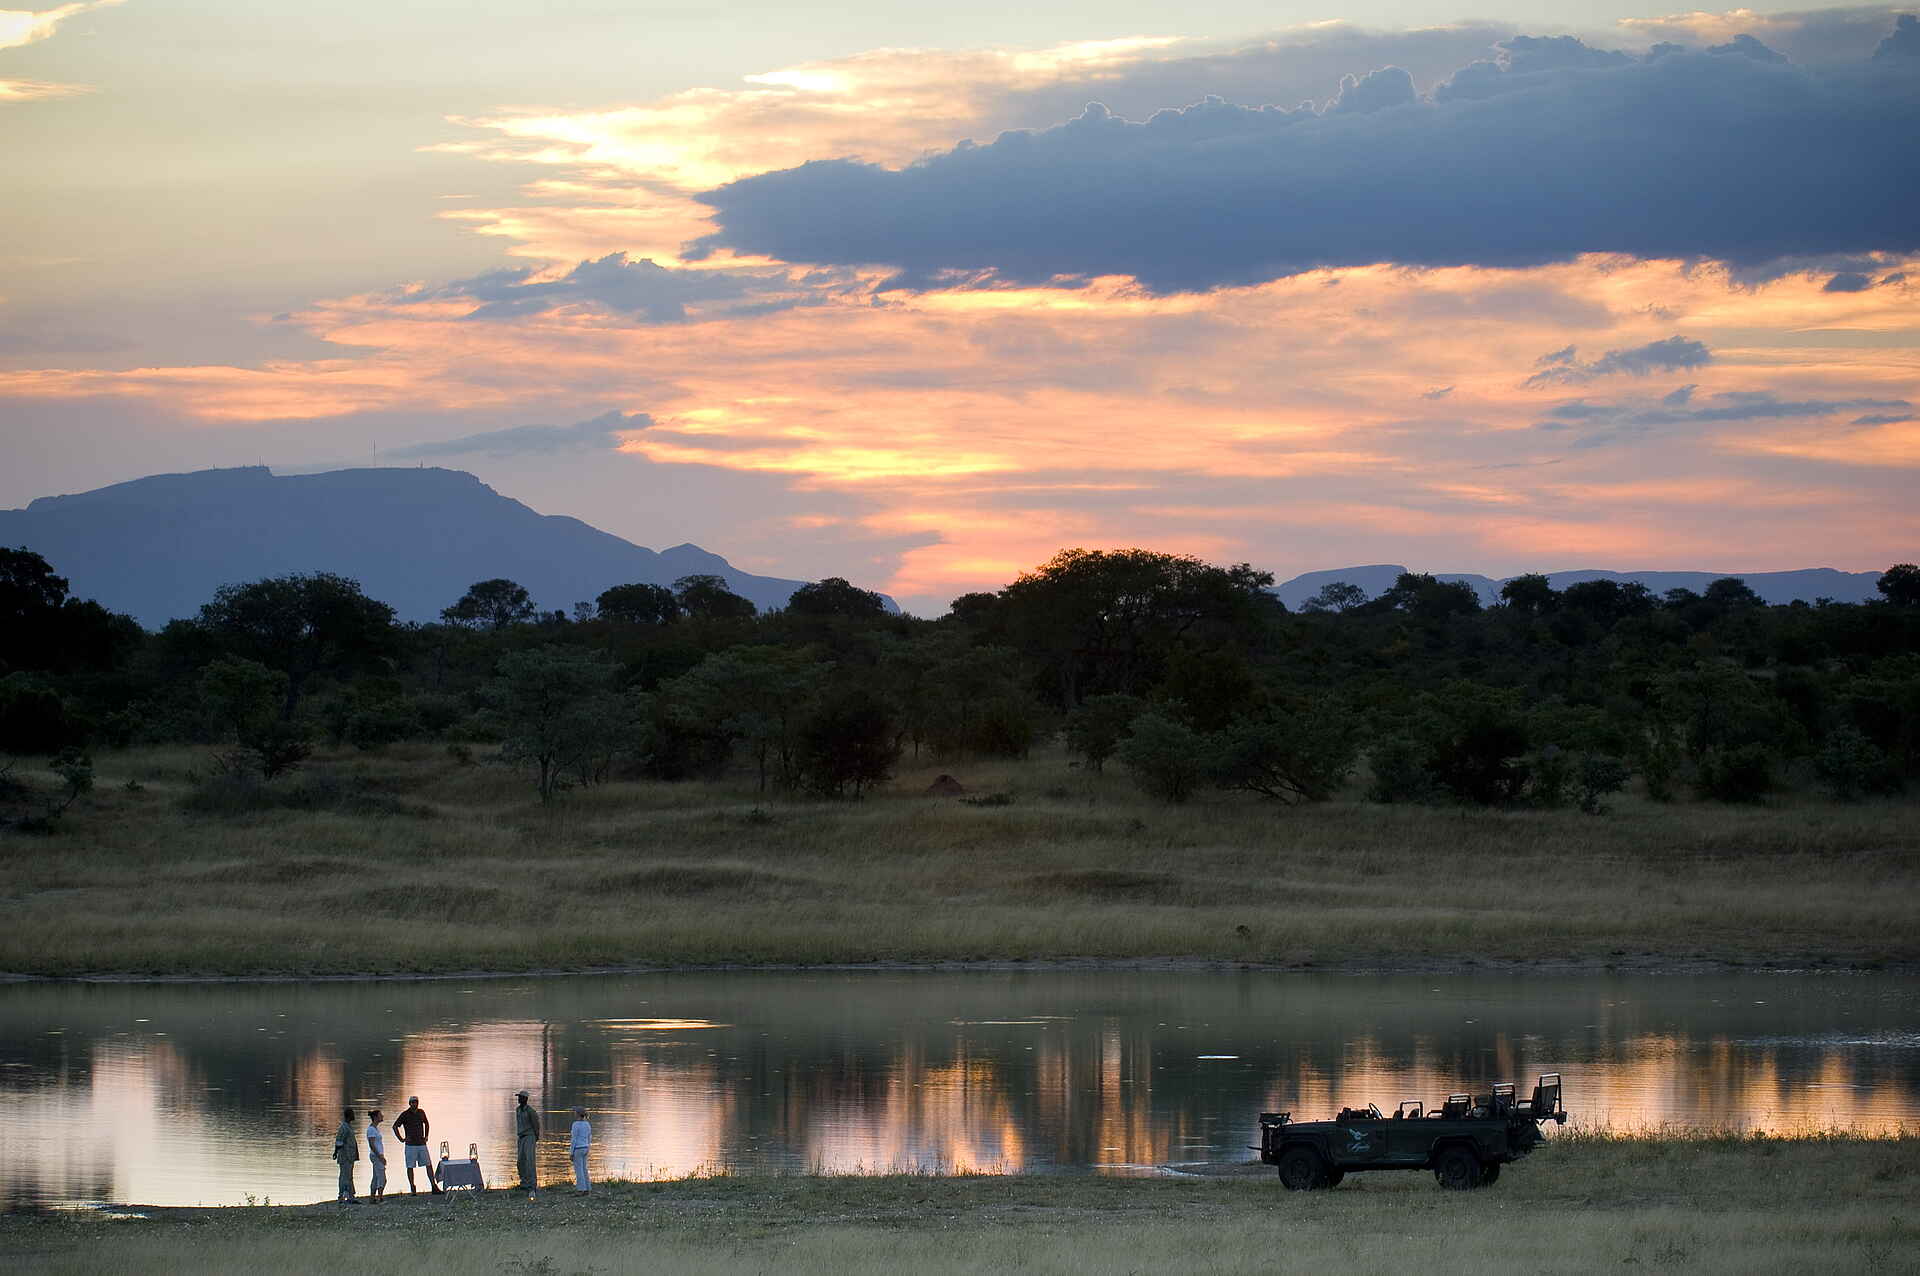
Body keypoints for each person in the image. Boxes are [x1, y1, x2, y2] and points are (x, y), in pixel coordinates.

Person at [391, 1096, 442, 1193]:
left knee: (428, 1164)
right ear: (409, 1103)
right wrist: (402, 1139)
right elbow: (395, 1126)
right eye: (412, 1102)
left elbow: (426, 1123)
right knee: (410, 1166)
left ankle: (433, 1186)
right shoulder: (405, 1114)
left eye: (416, 1102)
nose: (414, 1104)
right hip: (410, 1145)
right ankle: (412, 1187)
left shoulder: (421, 1112)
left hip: (421, 1144)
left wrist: (426, 1136)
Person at [514, 1090, 541, 1191]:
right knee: (520, 1161)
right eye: (518, 1097)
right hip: (521, 1137)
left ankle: (532, 1184)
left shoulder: (531, 1111)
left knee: (530, 1161)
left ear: (525, 1099)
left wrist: (536, 1137)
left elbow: (536, 1125)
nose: (518, 1099)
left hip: (529, 1136)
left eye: (520, 1097)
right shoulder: (518, 1110)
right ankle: (524, 1182)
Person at [332, 1107, 360, 1204]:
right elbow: (339, 1142)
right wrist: (336, 1153)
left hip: (350, 1156)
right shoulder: (344, 1127)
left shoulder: (348, 1126)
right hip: (345, 1157)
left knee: (349, 1176)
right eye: (353, 1114)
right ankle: (342, 1197)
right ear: (349, 1116)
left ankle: (351, 1196)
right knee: (344, 1176)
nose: (354, 1116)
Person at [365, 1108, 387, 1202]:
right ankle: (380, 1197)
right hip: (376, 1156)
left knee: (376, 1177)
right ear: (375, 1117)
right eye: (380, 1115)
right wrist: (380, 1157)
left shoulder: (375, 1129)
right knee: (382, 1178)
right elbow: (372, 1145)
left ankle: (372, 1197)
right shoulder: (371, 1130)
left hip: (377, 1155)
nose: (382, 1116)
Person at [568, 1107, 592, 1194]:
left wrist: (571, 1153)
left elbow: (573, 1139)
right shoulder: (587, 1124)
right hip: (585, 1148)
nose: (574, 1113)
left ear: (578, 1114)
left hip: (578, 1148)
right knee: (584, 1168)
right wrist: (588, 1147)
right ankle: (587, 1188)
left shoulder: (575, 1124)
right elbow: (589, 1137)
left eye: (575, 1112)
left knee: (579, 1170)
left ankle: (581, 1189)